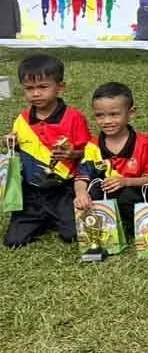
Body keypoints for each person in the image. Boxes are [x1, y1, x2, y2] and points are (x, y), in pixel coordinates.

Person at [4, 55, 91, 248]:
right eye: (29, 88)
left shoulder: (74, 117)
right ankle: (41, 217)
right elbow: (21, 148)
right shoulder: (23, 119)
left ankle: (56, 217)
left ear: (60, 87)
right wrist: (10, 142)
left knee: (72, 235)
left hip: (62, 189)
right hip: (31, 192)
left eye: (43, 87)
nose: (35, 93)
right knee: (13, 241)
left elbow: (88, 152)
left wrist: (73, 154)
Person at [74, 82, 148, 240]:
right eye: (100, 115)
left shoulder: (144, 143)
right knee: (90, 194)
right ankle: (104, 228)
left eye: (114, 114)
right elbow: (82, 177)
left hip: (136, 189)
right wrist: (81, 194)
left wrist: (125, 181)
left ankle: (136, 225)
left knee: (127, 196)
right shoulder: (93, 145)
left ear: (131, 113)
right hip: (105, 191)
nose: (106, 121)